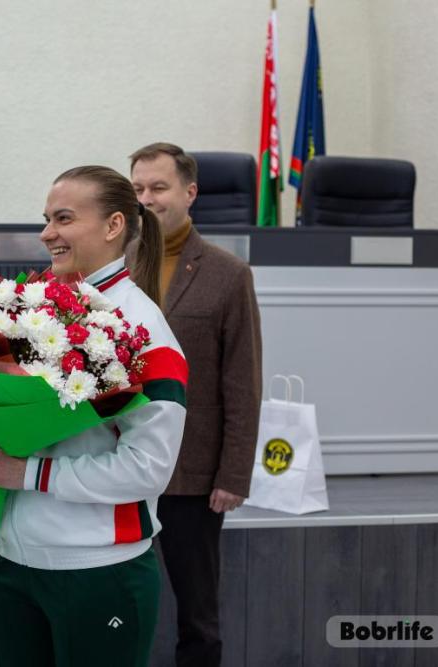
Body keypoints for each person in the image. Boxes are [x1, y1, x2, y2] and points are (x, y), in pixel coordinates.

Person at [0, 166, 187, 666]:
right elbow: (26, 419)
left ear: (114, 225)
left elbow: (149, 469)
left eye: (64, 219)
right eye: (47, 219)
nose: (47, 233)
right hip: (12, 561)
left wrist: (28, 473)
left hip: (98, 569)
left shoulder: (145, 331)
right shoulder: (30, 307)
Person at [129, 142, 262, 667]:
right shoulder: (116, 266)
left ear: (190, 192)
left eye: (158, 187)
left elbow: (242, 382)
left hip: (193, 476)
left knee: (198, 615)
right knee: (121, 605)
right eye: (138, 188)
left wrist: (234, 474)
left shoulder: (229, 274)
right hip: (119, 465)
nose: (147, 198)